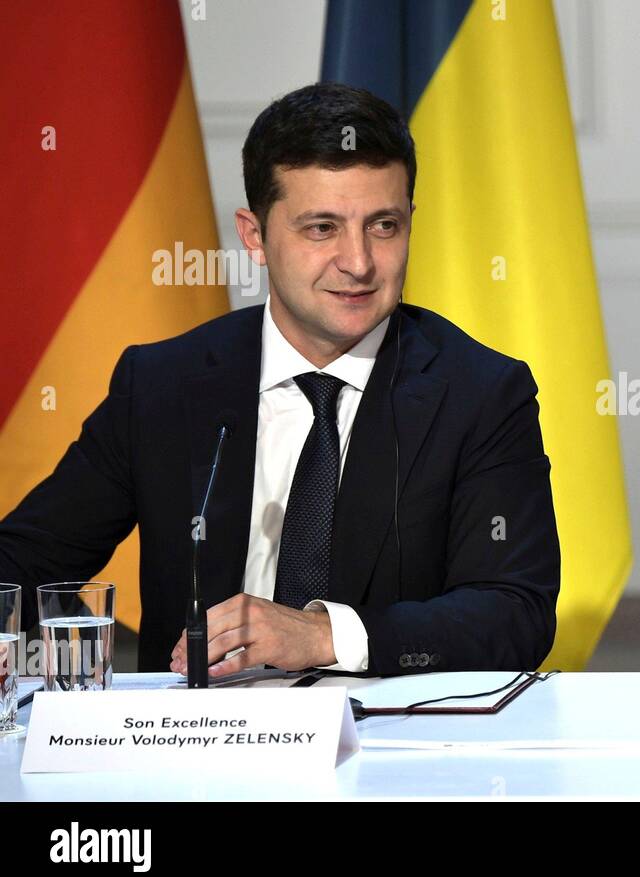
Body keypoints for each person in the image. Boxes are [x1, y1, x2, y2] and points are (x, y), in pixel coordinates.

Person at [0, 83, 561, 677]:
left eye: (384, 225)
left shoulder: (479, 392)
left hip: (389, 749)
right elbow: (26, 559)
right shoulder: (162, 385)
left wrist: (326, 635)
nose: (359, 262)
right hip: (192, 748)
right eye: (321, 228)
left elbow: (514, 613)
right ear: (254, 236)